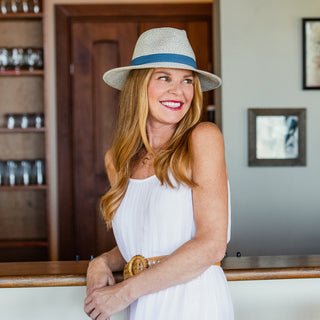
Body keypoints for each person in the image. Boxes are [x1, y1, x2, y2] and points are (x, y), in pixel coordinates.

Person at [84, 27, 234, 320]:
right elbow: (147, 240)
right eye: (164, 77)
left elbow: (211, 245)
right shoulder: (117, 160)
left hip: (195, 303)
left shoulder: (203, 138)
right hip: (143, 306)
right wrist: (100, 262)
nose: (178, 91)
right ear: (139, 86)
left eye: (186, 80)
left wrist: (123, 293)